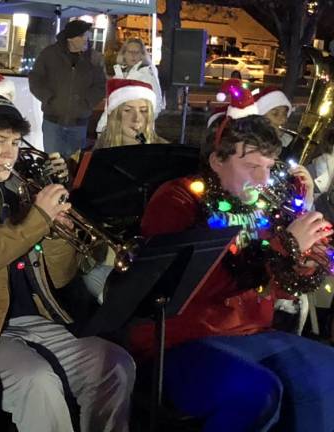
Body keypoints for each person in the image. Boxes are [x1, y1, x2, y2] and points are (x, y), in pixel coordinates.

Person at [0, 91, 135, 432]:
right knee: (37, 381)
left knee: (115, 363)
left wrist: (59, 235)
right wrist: (37, 221)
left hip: (34, 320)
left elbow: (58, 279)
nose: (9, 153)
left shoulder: (21, 191)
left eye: (15, 142)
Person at [129, 108, 334, 430]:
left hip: (253, 333)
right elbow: (188, 285)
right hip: (182, 340)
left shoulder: (266, 204)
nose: (263, 179)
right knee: (255, 393)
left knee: (327, 373)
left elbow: (275, 286)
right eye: (251, 166)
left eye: (268, 167)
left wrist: (305, 262)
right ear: (217, 161)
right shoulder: (179, 199)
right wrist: (285, 247)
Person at [29, 20, 106, 158]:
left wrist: (87, 102)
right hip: (53, 122)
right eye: (82, 36)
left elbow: (101, 86)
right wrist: (49, 98)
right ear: (71, 38)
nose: (86, 39)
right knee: (53, 164)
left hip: (79, 124)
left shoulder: (93, 58)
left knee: (73, 166)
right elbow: (35, 79)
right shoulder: (49, 54)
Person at [96, 78, 168, 148]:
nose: (137, 118)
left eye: (143, 111)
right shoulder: (101, 149)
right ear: (115, 115)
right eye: (127, 110)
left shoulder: (164, 152)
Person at [111, 38, 163, 117]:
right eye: (130, 51)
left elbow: (157, 104)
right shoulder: (118, 76)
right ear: (123, 54)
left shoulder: (148, 76)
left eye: (137, 52)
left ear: (142, 55)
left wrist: (141, 123)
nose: (133, 55)